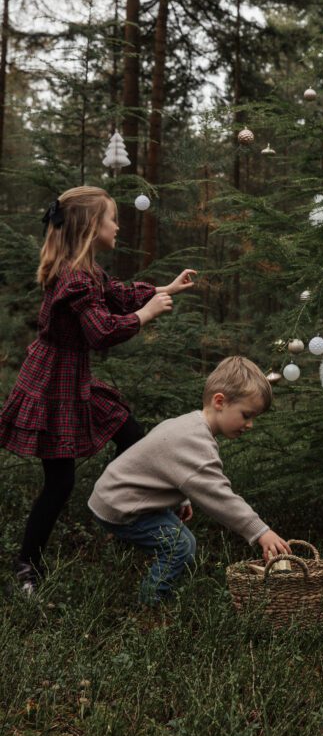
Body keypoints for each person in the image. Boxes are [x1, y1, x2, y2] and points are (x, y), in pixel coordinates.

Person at [0, 186, 196, 593]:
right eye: (112, 218)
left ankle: (140, 510)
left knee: (129, 430)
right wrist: (146, 315)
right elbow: (101, 331)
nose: (118, 226)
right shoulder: (74, 278)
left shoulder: (84, 269)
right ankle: (27, 566)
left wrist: (165, 290)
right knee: (60, 482)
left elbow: (118, 295)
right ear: (93, 226)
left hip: (73, 378)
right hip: (54, 383)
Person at [88, 355, 290, 604]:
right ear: (220, 401)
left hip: (118, 494)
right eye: (246, 415)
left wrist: (182, 499)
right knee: (179, 546)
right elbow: (218, 495)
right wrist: (260, 532)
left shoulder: (190, 424)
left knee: (183, 541)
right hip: (121, 505)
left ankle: (156, 592)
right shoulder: (195, 441)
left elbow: (166, 465)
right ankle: (151, 603)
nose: (250, 425)